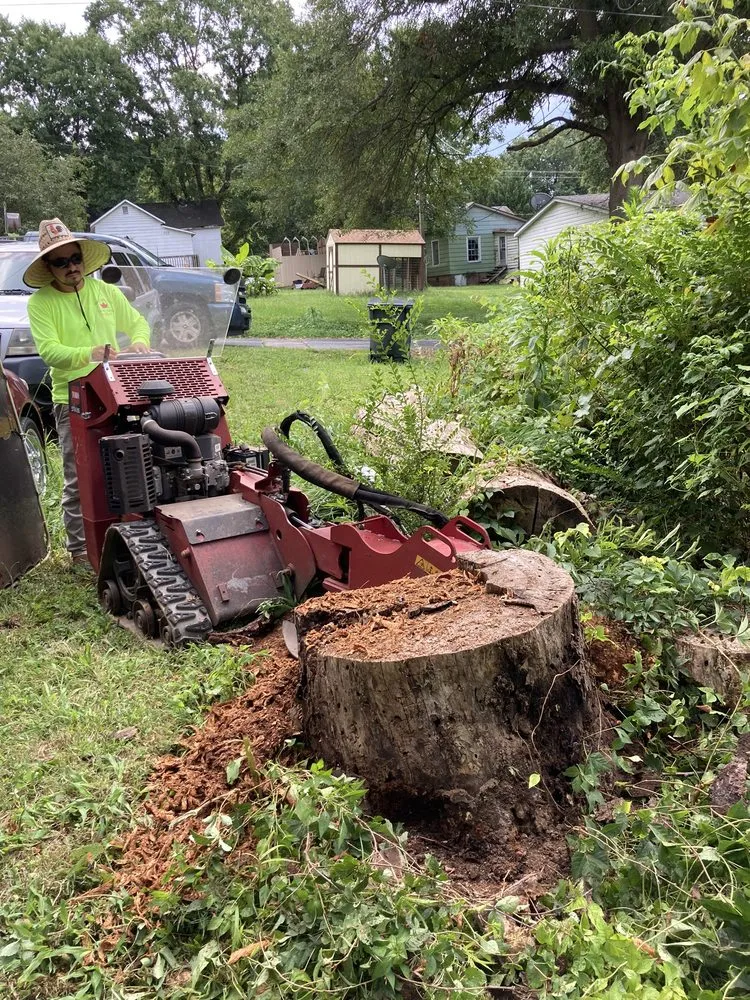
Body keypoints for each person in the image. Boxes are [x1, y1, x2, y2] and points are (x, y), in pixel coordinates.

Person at [24, 218, 152, 567]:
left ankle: (133, 534)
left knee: (130, 462)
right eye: (61, 262)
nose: (72, 267)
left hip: (117, 391)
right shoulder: (40, 303)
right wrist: (90, 353)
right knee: (78, 475)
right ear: (48, 268)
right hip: (74, 398)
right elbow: (50, 351)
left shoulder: (107, 293)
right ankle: (80, 551)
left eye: (75, 258)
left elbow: (137, 322)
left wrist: (140, 342)